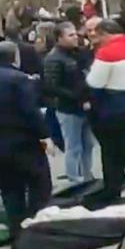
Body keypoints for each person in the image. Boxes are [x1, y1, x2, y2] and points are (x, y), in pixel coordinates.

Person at [0, 41, 52, 240]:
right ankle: (37, 230)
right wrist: (44, 135)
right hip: (23, 141)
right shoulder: (19, 79)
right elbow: (30, 111)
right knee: (39, 184)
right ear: (14, 56)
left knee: (11, 190)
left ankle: (17, 234)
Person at [85, 19, 125, 204]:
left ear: (105, 34)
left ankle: (113, 192)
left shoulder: (107, 53)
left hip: (114, 111)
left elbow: (94, 83)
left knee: (113, 155)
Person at [42, 21, 95, 183]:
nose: (75, 38)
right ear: (59, 38)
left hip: (84, 106)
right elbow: (52, 87)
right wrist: (77, 97)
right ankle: (74, 178)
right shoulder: (53, 59)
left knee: (88, 144)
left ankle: (87, 175)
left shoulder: (77, 53)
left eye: (75, 34)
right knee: (73, 146)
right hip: (68, 108)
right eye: (70, 35)